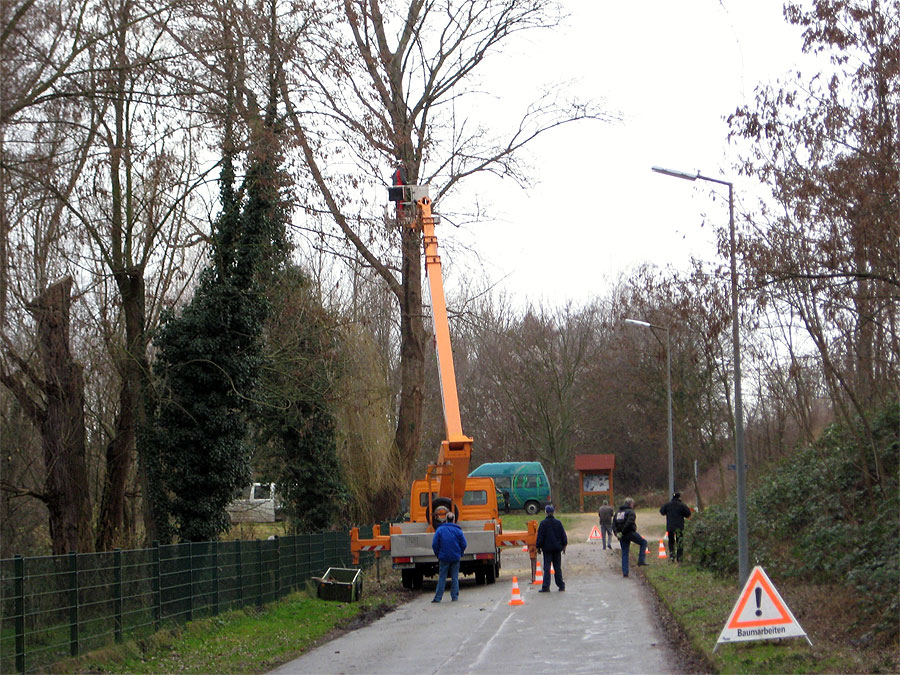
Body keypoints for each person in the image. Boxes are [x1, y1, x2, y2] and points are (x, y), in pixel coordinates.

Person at [431, 511, 467, 602]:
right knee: (455, 577)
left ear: (446, 520)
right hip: (455, 556)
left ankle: (438, 598)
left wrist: (438, 554)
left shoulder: (440, 530)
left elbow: (435, 544)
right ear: (454, 520)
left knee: (442, 577)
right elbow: (464, 544)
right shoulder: (458, 530)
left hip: (443, 557)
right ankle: (454, 596)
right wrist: (460, 553)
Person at [612, 497, 648, 578]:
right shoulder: (631, 512)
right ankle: (641, 560)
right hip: (629, 533)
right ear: (630, 504)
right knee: (643, 542)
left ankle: (625, 572)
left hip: (621, 536)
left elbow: (613, 524)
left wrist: (617, 533)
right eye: (633, 504)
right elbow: (629, 522)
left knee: (624, 553)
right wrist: (623, 531)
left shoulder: (617, 513)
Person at [535, 504, 567, 592]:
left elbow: (540, 537)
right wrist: (564, 546)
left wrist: (538, 547)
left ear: (545, 512)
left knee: (547, 568)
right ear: (553, 512)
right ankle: (561, 585)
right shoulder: (558, 523)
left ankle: (546, 586)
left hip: (547, 549)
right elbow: (563, 536)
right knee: (557, 568)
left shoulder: (543, 523)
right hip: (557, 549)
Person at [659, 492, 692, 562]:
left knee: (671, 541)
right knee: (679, 541)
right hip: (679, 526)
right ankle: (679, 557)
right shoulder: (682, 505)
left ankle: (672, 555)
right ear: (679, 497)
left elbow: (662, 511)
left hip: (670, 526)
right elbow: (688, 514)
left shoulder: (667, 505)